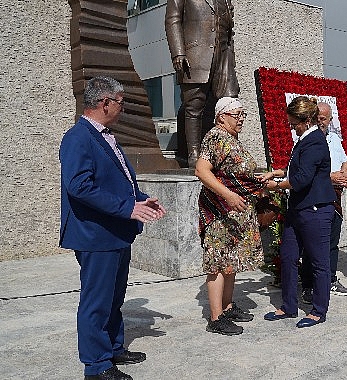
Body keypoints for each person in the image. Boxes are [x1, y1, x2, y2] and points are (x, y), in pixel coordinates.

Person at [60, 76, 167, 380]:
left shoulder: (106, 136)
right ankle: (97, 366)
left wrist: (142, 200)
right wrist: (127, 208)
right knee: (96, 301)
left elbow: (117, 182)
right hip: (96, 235)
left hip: (116, 232)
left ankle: (113, 347)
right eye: (121, 101)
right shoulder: (78, 137)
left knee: (114, 297)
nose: (124, 107)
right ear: (104, 103)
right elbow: (79, 187)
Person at [263, 96, 335, 328]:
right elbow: (298, 168)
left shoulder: (315, 141)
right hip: (298, 209)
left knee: (318, 262)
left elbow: (302, 179)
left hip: (315, 211)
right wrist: (277, 173)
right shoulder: (305, 139)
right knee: (288, 257)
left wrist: (276, 186)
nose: (292, 128)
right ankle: (289, 306)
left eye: (294, 123)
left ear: (306, 120)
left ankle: (318, 310)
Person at [194, 97, 263, 335]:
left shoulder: (232, 139)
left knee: (230, 261)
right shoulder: (215, 136)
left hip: (235, 215)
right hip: (220, 212)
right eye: (237, 115)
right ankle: (216, 317)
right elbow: (201, 170)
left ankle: (227, 306)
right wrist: (229, 196)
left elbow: (240, 174)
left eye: (243, 115)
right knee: (217, 263)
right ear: (222, 117)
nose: (242, 119)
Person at [165, 0, 240, 167]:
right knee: (194, 107)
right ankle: (194, 154)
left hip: (223, 60)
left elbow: (229, 32)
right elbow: (173, 19)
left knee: (230, 105)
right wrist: (178, 53)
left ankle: (231, 152)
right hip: (195, 57)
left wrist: (231, 59)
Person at [300, 102, 347, 302]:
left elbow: (346, 162)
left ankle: (330, 280)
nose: (322, 121)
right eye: (319, 117)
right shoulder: (305, 140)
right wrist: (332, 177)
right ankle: (308, 286)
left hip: (334, 198)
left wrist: (344, 173)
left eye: (326, 118)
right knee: (311, 244)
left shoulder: (333, 138)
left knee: (332, 242)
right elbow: (306, 173)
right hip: (314, 199)